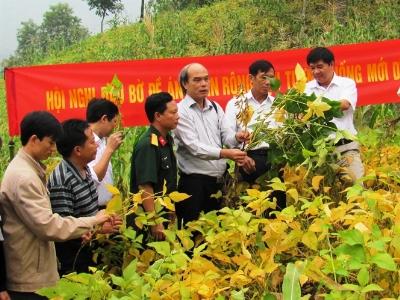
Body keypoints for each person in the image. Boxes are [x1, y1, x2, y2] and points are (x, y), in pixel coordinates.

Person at [0, 111, 110, 299]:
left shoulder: (29, 170)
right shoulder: (24, 177)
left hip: (36, 268)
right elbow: (48, 226)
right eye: (50, 143)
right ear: (34, 139)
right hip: (30, 277)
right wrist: (93, 221)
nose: (53, 149)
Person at [173, 63, 248, 226]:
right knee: (193, 234)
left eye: (206, 79)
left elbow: (226, 136)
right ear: (185, 84)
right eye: (197, 80)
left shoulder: (214, 107)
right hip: (194, 184)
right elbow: (194, 147)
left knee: (220, 232)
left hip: (220, 181)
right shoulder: (180, 111)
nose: (203, 84)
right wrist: (225, 154)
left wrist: (237, 137)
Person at [48, 119, 121, 276]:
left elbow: (88, 213)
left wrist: (102, 221)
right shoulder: (62, 180)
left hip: (90, 250)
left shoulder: (85, 168)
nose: (96, 144)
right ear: (78, 150)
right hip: (74, 261)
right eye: (91, 141)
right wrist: (97, 228)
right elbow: (64, 228)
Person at [224, 59, 286, 209]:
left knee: (276, 209)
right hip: (248, 161)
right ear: (251, 78)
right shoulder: (236, 104)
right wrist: (239, 140)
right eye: (263, 77)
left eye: (271, 77)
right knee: (250, 209)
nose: (268, 82)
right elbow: (227, 138)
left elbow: (285, 135)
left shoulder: (279, 103)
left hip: (275, 161)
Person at [305, 47, 364, 181]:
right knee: (322, 195)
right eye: (312, 68)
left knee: (356, 189)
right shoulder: (306, 89)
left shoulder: (346, 83)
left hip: (346, 148)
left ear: (331, 64)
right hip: (319, 153)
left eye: (320, 67)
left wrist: (316, 106)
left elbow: (344, 104)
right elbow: (301, 114)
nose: (316, 72)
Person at [130, 92, 179, 241]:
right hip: (147, 220)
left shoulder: (165, 139)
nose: (178, 116)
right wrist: (154, 220)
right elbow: (145, 186)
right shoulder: (148, 144)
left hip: (162, 213)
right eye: (173, 112)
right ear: (158, 116)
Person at [87, 98, 123, 208]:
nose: (115, 127)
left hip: (106, 207)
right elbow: (93, 178)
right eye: (114, 122)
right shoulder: (87, 142)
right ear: (104, 119)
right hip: (93, 209)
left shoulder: (103, 141)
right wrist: (109, 149)